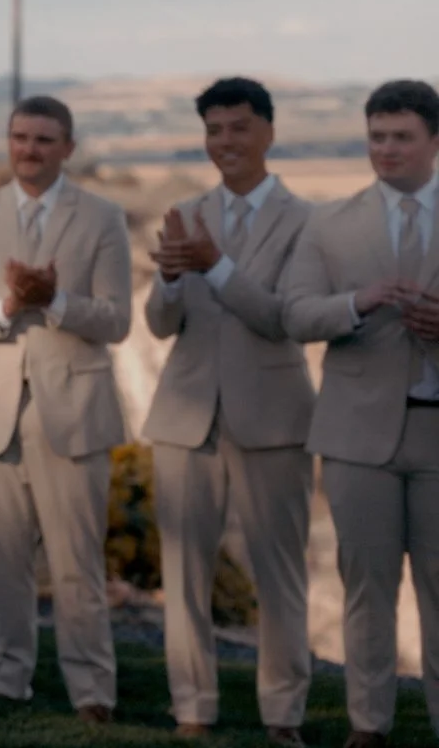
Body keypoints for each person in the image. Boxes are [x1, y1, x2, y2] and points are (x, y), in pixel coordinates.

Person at [0, 96, 132, 723]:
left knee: (78, 566)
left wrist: (54, 301)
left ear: (67, 147)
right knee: (4, 561)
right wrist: (5, 308)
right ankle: (7, 676)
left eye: (45, 139)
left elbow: (118, 320)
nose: (29, 149)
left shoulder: (104, 217)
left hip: (72, 413)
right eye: (20, 137)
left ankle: (93, 691)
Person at [143, 78, 315, 746]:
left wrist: (214, 266)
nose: (225, 142)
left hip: (274, 418)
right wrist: (168, 277)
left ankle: (284, 715)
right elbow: (160, 326)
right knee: (183, 573)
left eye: (238, 128)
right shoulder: (184, 211)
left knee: (281, 574)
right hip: (184, 418)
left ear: (268, 132)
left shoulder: (307, 221)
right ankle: (192, 707)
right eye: (214, 130)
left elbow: (282, 320)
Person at [282, 79, 439, 748]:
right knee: (365, 590)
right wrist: (357, 302)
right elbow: (293, 313)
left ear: (435, 140)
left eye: (402, 136)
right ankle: (367, 727)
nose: (387, 149)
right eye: (378, 136)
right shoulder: (329, 222)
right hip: (355, 438)